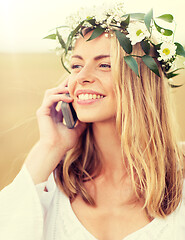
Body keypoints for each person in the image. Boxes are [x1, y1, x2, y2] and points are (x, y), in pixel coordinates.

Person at [0, 2, 185, 240]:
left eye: (104, 65)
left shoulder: (179, 175)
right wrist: (49, 147)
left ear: (142, 82)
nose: (82, 77)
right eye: (76, 65)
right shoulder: (51, 183)